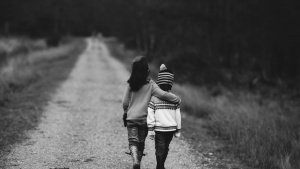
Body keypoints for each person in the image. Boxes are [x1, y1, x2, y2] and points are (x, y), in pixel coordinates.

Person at [122, 56, 181, 169]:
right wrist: (176, 99)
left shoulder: (130, 84)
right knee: (141, 142)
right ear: (146, 71)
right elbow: (163, 94)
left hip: (131, 118)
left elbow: (125, 102)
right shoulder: (151, 84)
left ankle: (135, 160)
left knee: (133, 140)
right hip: (144, 119)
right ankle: (138, 159)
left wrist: (126, 111)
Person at [147, 64, 181, 169]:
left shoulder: (154, 99)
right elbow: (178, 115)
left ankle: (160, 166)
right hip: (170, 129)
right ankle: (161, 166)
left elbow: (150, 114)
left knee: (160, 148)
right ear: (171, 84)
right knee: (165, 148)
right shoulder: (174, 99)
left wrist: (151, 129)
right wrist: (178, 129)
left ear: (158, 83)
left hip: (159, 129)